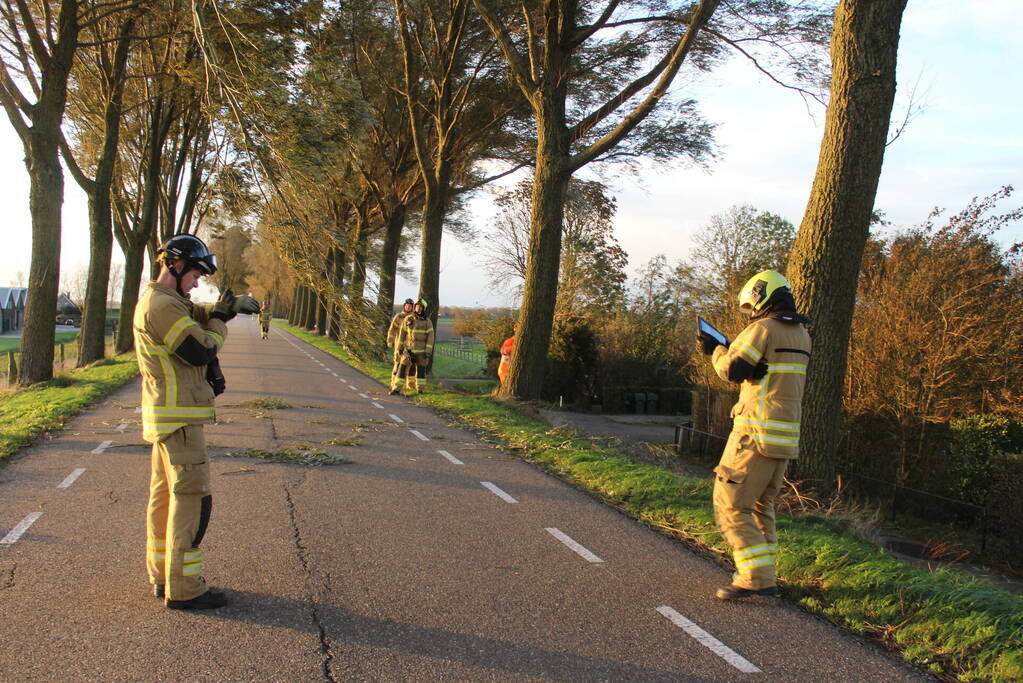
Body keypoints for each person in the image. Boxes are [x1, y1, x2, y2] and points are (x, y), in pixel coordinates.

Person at [134, 234, 259, 610]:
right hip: (181, 420)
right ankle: (185, 586)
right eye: (195, 273)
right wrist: (221, 322)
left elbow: (193, 314)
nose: (198, 281)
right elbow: (199, 348)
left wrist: (225, 307)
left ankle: (163, 575)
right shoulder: (161, 305)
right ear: (175, 265)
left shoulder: (164, 301)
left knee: (163, 500)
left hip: (168, 418)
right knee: (192, 499)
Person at [695, 270, 811, 600]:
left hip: (753, 435)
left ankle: (754, 578)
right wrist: (734, 349)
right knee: (761, 507)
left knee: (730, 504)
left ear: (760, 296)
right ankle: (765, 574)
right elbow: (765, 370)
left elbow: (733, 369)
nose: (750, 312)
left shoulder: (760, 328)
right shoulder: (802, 334)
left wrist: (715, 349)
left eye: (750, 305)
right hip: (783, 438)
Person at [390, 298, 435, 396]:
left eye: (420, 307)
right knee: (401, 369)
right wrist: (400, 347)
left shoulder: (427, 322)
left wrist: (427, 353)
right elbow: (402, 334)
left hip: (421, 352)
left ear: (423, 309)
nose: (418, 308)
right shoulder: (408, 319)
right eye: (417, 306)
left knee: (421, 371)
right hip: (408, 350)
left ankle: (420, 389)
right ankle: (396, 388)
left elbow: (430, 338)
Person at [387, 298, 415, 389]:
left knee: (410, 365)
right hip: (399, 344)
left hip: (410, 345)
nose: (408, 307)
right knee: (397, 364)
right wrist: (390, 341)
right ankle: (394, 382)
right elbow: (392, 329)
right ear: (404, 306)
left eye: (410, 306)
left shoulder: (414, 318)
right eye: (407, 305)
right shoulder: (399, 317)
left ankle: (410, 385)